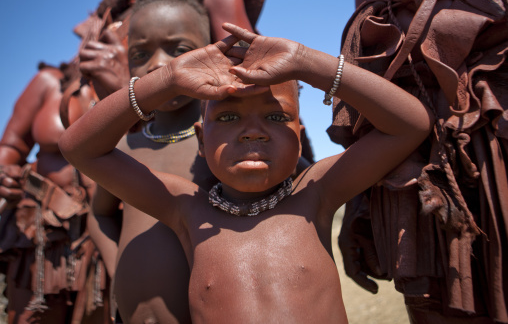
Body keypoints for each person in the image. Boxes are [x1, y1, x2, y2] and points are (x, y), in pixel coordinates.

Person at [59, 23, 432, 323]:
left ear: (300, 136)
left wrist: (306, 62)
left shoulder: (317, 193)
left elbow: (409, 125)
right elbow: (79, 148)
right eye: (228, 116)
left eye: (275, 116)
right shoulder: (186, 210)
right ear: (202, 141)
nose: (253, 131)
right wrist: (168, 78)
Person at [334, 0, 508, 322]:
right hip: (398, 103)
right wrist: (359, 193)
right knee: (434, 304)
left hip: (495, 80)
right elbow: (364, 18)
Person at [82, 0, 217, 324]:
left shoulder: (220, 143)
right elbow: (99, 215)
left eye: (178, 49)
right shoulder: (124, 149)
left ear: (209, 52)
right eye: (140, 55)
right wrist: (118, 268)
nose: (158, 65)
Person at [0, 62, 108, 324]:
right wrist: (5, 173)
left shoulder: (139, 89)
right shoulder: (50, 82)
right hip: (42, 234)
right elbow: (12, 147)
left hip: (103, 238)